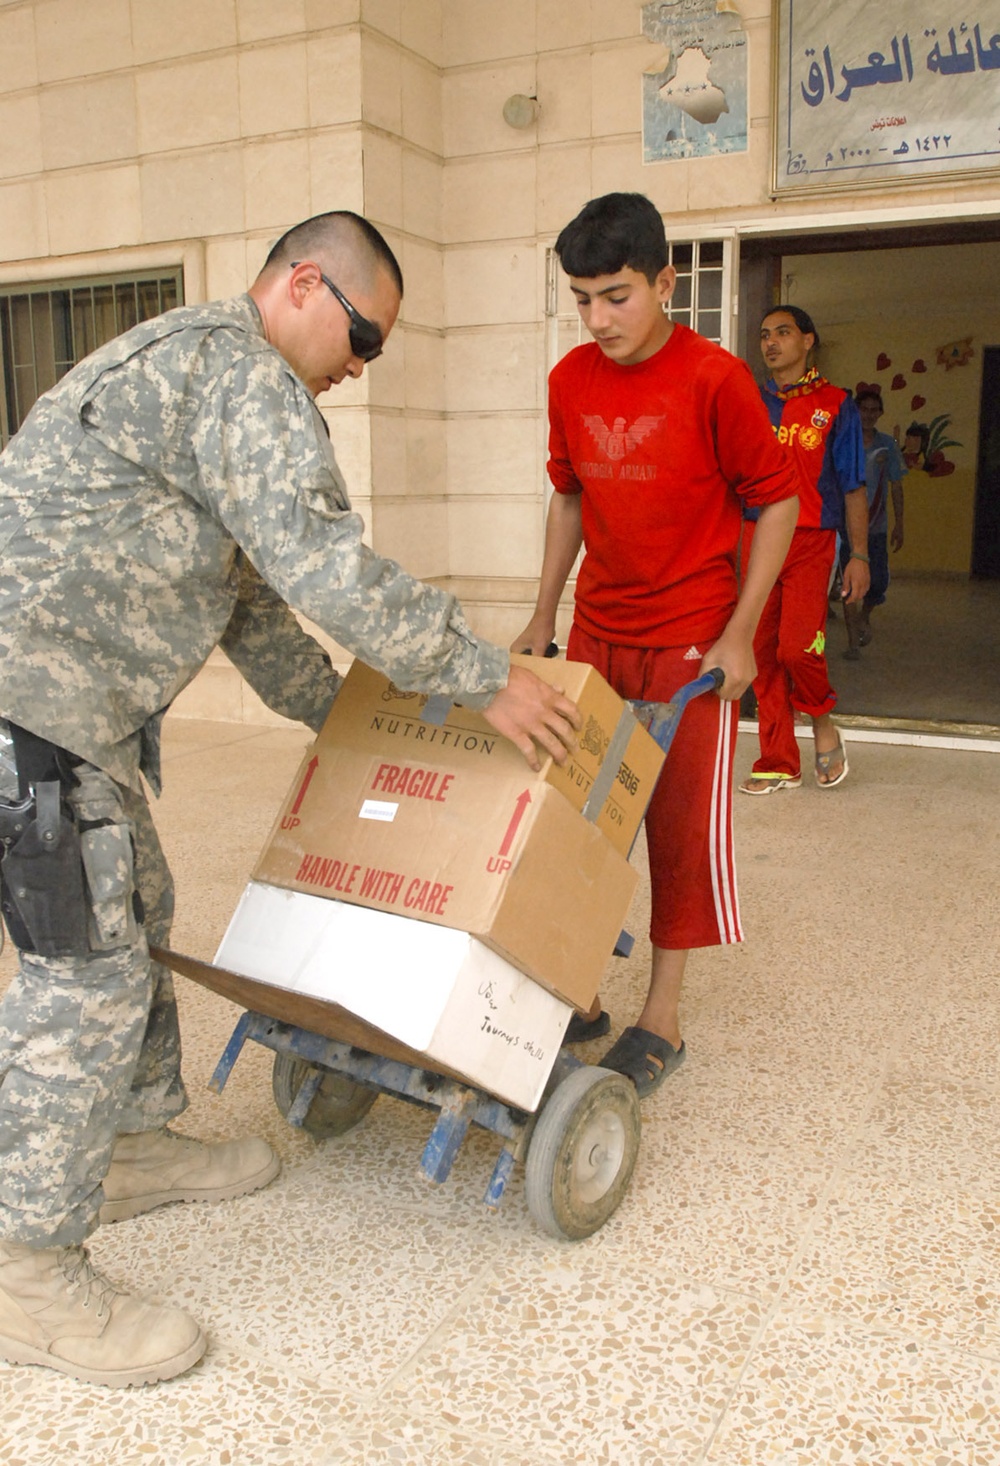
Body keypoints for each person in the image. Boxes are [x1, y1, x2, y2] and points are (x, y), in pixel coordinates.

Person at [0, 210, 581, 1388]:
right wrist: (483, 676)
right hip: (31, 698)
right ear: (306, 286)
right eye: (364, 336)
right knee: (87, 972)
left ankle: (129, 1141)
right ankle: (26, 1266)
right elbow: (328, 568)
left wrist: (348, 723)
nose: (361, 367)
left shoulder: (210, 380)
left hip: (74, 709)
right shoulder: (240, 372)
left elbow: (255, 601)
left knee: (140, 900)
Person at [512, 193, 799, 1102]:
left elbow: (779, 501)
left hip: (691, 647)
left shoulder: (716, 379)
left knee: (675, 833)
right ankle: (581, 993)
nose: (598, 320)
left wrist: (740, 633)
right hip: (598, 632)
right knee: (580, 821)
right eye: (582, 298)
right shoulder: (569, 380)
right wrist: (540, 611)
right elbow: (569, 499)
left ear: (666, 282)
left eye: (617, 297)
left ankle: (660, 1017)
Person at [738, 307, 869, 796]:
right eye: (764, 334)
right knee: (760, 648)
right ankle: (777, 760)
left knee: (796, 646)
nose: (771, 343)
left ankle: (822, 719)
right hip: (755, 534)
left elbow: (853, 484)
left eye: (783, 333)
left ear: (808, 340)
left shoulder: (837, 405)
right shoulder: (750, 402)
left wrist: (860, 555)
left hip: (813, 539)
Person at [840, 388, 906, 658]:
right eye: (863, 409)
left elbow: (897, 486)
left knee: (877, 583)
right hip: (844, 527)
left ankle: (863, 616)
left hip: (875, 529)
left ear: (880, 413)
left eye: (873, 410)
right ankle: (852, 642)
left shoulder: (887, 445)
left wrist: (900, 524)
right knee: (848, 584)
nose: (868, 415)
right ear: (856, 412)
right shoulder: (845, 441)